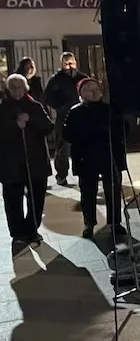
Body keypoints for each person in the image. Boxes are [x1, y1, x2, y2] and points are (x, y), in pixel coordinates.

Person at [63, 77, 127, 240]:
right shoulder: (75, 111)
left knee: (112, 190)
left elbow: (123, 131)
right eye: (89, 89)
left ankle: (115, 222)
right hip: (86, 157)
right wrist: (88, 133)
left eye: (96, 89)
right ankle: (89, 223)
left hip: (109, 155)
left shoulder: (110, 109)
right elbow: (67, 134)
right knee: (88, 192)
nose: (94, 92)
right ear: (81, 93)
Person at [0, 74, 54, 254]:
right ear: (8, 89)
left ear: (25, 88)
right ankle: (17, 233)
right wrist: (15, 124)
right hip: (10, 163)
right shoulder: (3, 108)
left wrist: (30, 120)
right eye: (13, 87)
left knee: (36, 199)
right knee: (13, 200)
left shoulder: (35, 106)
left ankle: (31, 230)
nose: (16, 90)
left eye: (19, 87)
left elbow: (48, 128)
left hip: (35, 161)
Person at [43, 52, 89, 186]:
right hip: (64, 116)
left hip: (81, 116)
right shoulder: (56, 79)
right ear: (62, 64)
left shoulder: (81, 77)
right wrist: (60, 104)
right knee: (63, 147)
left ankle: (85, 171)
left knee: (84, 146)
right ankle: (61, 174)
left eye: (71, 63)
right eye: (66, 63)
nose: (69, 66)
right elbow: (47, 96)